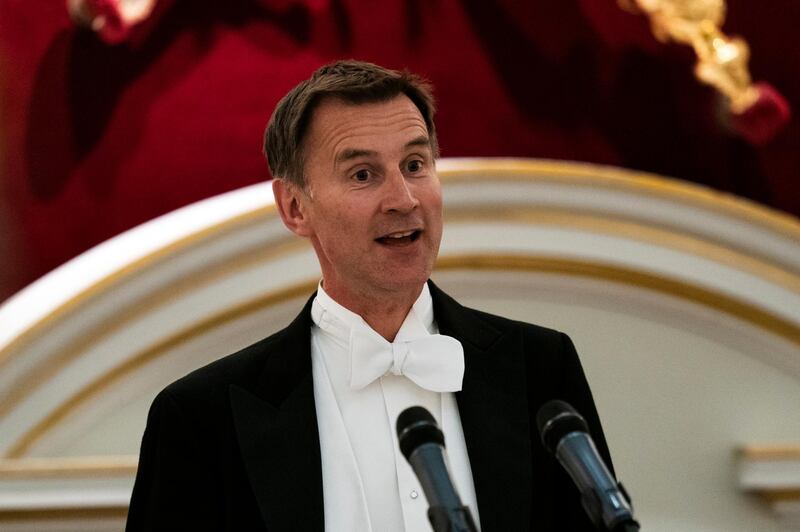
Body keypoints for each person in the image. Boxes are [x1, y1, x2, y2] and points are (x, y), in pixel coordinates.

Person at [126, 60, 614, 531]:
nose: (404, 198)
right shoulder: (199, 420)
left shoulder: (543, 372)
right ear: (294, 207)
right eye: (363, 174)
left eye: (415, 164)